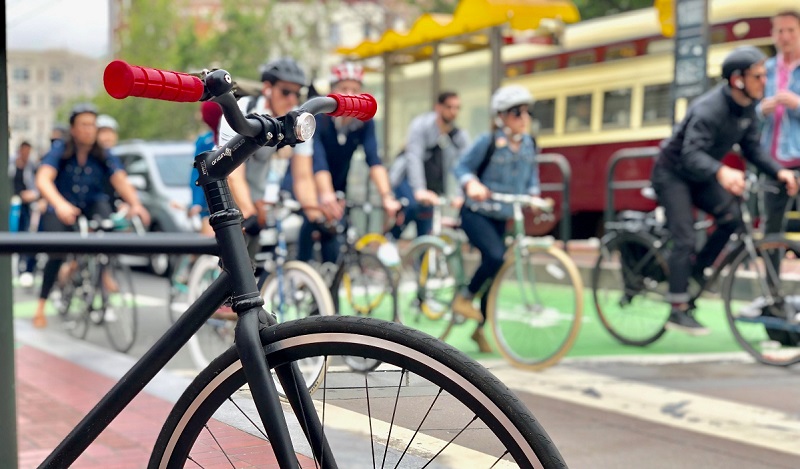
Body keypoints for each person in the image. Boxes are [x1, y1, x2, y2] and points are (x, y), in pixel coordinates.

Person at [650, 46, 799, 336]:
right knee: (685, 238)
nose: (764, 82)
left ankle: (694, 274)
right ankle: (677, 308)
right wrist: (722, 171)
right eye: (757, 76)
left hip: (700, 174)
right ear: (737, 80)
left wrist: (779, 170)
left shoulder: (746, 108)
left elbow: (753, 148)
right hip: (673, 174)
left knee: (731, 219)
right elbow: (691, 153)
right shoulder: (710, 109)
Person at [31, 103, 151, 328]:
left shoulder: (102, 153)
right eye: (83, 125)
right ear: (73, 129)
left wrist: (136, 204)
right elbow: (43, 179)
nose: (89, 130)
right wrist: (59, 204)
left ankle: (103, 271)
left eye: (92, 125)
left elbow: (120, 179)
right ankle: (41, 305)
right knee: (56, 250)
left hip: (92, 203)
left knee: (108, 229)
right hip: (63, 204)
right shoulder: (61, 149)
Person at [452, 85, 541, 353]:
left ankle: (480, 330)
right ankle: (463, 298)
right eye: (516, 112)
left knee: (496, 272)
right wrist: (472, 185)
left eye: (526, 112)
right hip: (476, 213)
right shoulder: (487, 141)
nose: (524, 118)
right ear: (501, 116)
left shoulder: (529, 144)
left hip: (504, 216)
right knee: (495, 257)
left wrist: (534, 196)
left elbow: (532, 177)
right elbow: (461, 167)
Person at [286, 62, 401, 263]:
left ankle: (330, 284)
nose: (349, 94)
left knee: (335, 242)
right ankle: (301, 274)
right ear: (332, 91)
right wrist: (326, 193)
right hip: (310, 181)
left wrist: (387, 196)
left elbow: (374, 160)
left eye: (355, 90)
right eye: (343, 89)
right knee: (312, 220)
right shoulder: (318, 117)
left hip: (339, 183)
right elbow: (318, 160)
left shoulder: (364, 121)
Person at [218, 58, 314, 258]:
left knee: (249, 267)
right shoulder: (242, 110)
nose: (292, 100)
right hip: (224, 187)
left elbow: (303, 177)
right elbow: (232, 172)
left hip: (256, 197)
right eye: (286, 92)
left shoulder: (297, 123)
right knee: (228, 259)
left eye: (297, 93)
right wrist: (248, 210)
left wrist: (315, 212)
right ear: (267, 88)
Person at [389, 91, 470, 238]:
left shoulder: (458, 136)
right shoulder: (421, 125)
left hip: (432, 187)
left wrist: (460, 194)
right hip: (407, 181)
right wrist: (419, 189)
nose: (453, 112)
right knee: (412, 208)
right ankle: (390, 240)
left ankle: (422, 257)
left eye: (457, 108)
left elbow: (464, 166)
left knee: (426, 231)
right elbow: (414, 157)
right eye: (449, 107)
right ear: (438, 107)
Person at [758, 10, 800, 236]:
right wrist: (761, 110)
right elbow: (751, 110)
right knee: (771, 229)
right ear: (773, 35)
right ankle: (770, 273)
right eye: (780, 31)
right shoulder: (766, 69)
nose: (785, 36)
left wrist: (797, 103)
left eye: (791, 30)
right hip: (773, 163)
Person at [189, 101, 223, 236]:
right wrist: (196, 202)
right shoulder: (205, 141)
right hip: (208, 204)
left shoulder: (230, 138)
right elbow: (198, 172)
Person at [9, 141, 39, 287]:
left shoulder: (31, 166)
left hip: (26, 206)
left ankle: (23, 268)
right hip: (11, 204)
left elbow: (37, 186)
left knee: (24, 233)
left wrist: (33, 194)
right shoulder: (10, 164)